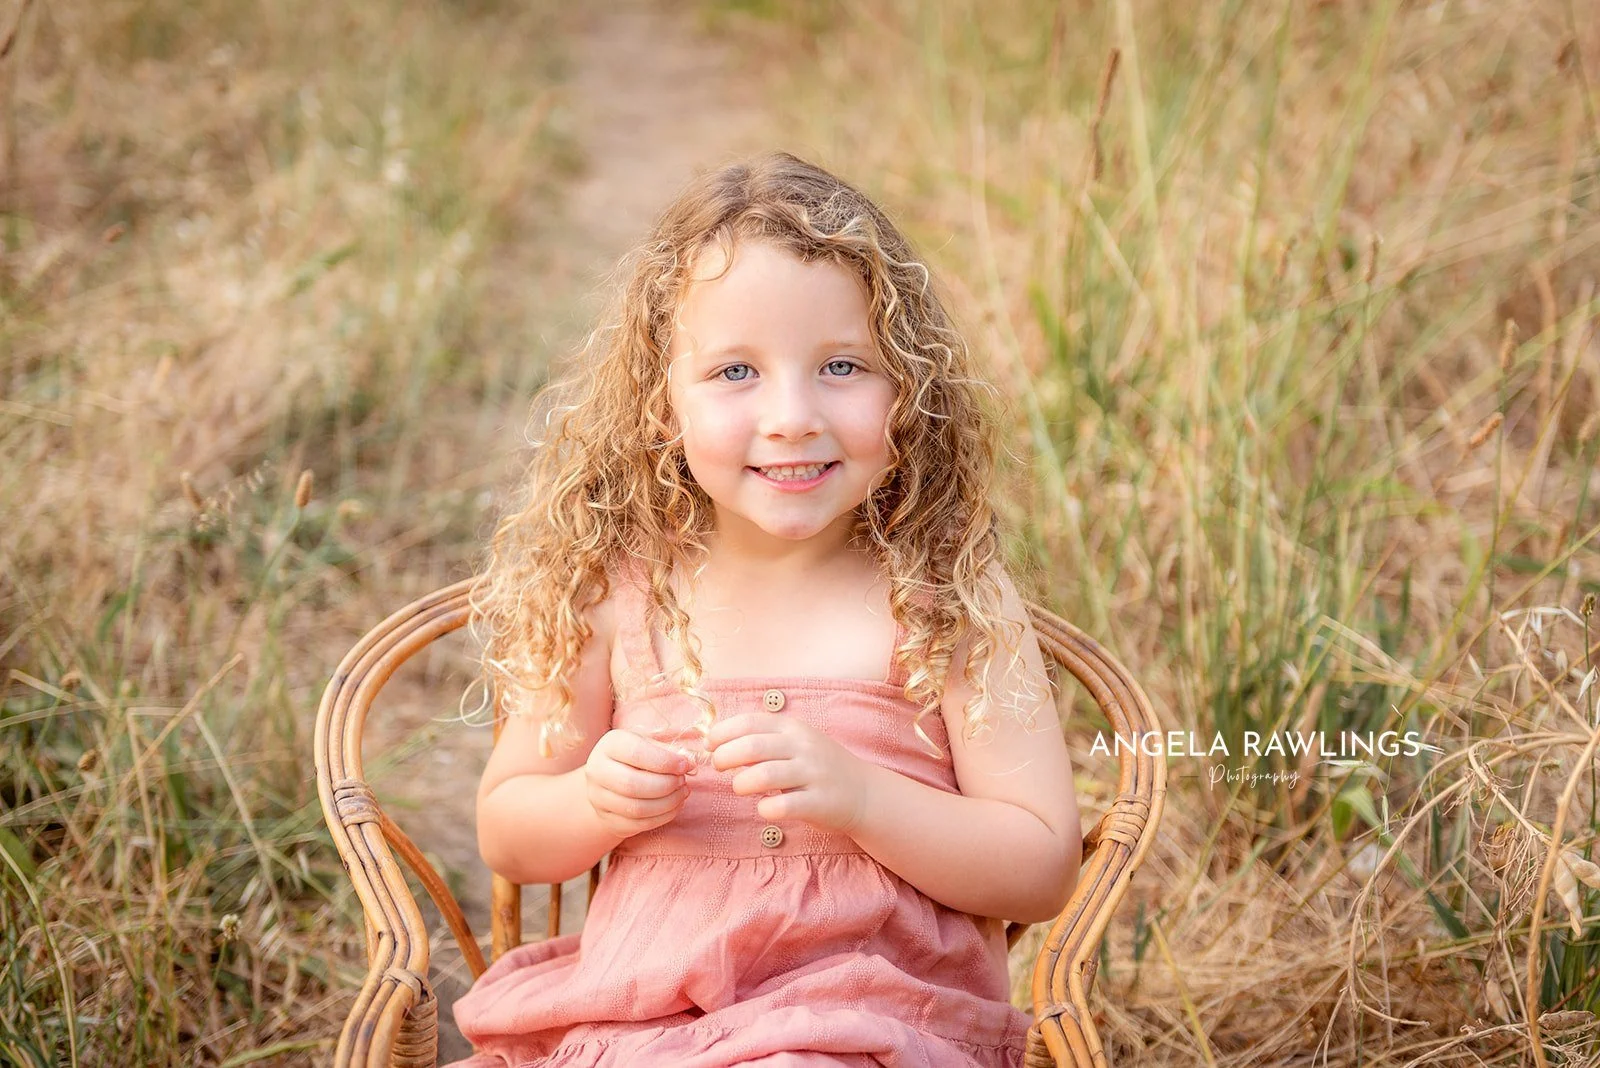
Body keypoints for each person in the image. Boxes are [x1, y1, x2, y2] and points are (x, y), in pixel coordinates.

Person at [451, 151, 1082, 1067]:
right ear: (659, 402)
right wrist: (594, 800)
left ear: (909, 388)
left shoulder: (948, 594)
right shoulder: (619, 589)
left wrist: (864, 797)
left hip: (869, 1027)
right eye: (735, 373)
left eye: (841, 365)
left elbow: (1040, 866)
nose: (791, 415)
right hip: (643, 1022)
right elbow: (508, 831)